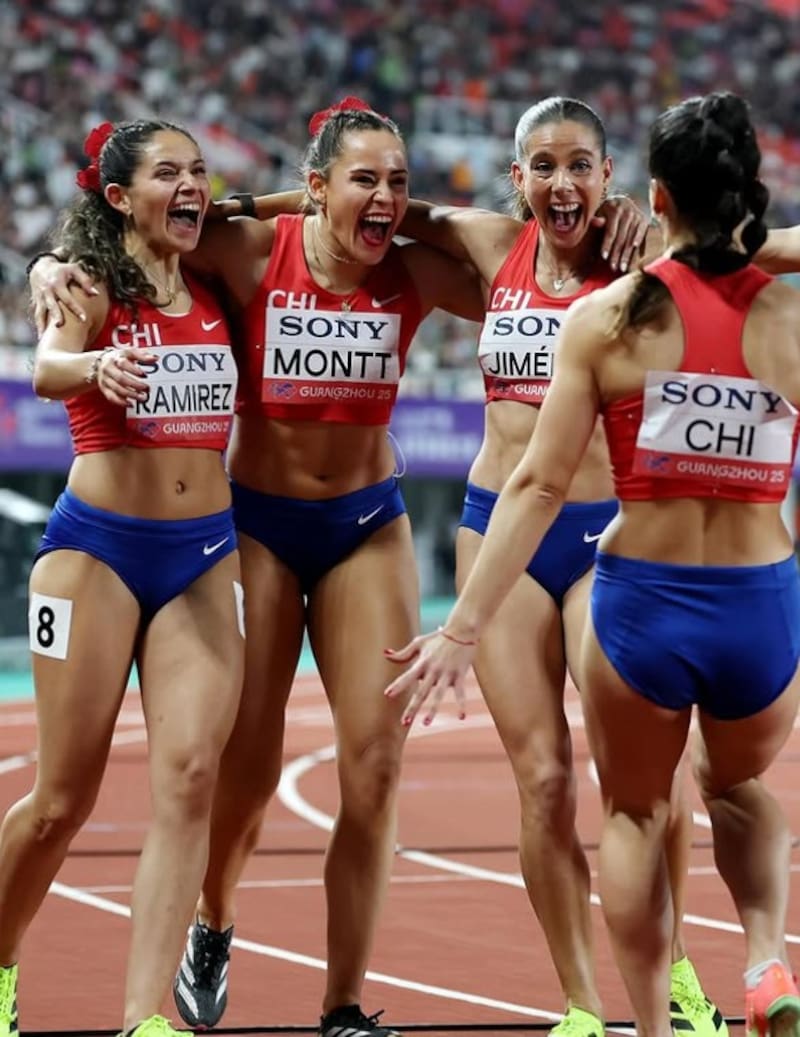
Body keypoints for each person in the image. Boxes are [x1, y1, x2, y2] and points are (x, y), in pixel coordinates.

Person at [29, 97, 486, 1037]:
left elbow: (526, 269)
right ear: (314, 188)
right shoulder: (241, 254)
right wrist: (46, 267)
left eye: (399, 183)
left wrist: (428, 213)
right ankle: (214, 919)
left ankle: (343, 1003)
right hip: (257, 525)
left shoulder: (411, 270)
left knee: (375, 765)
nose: (387, 199)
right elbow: (118, 239)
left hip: (367, 522)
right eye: (365, 180)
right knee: (248, 759)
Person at [383, 90, 800, 1037]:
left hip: (615, 536)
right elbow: (378, 216)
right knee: (544, 780)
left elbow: (749, 243)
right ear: (518, 177)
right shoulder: (491, 246)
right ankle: (582, 999)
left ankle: (676, 975)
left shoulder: (645, 268)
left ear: (622, 181)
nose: (563, 181)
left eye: (582, 164)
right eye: (544, 165)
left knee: (637, 790)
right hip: (504, 527)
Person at [6, 120, 245, 1037]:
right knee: (63, 799)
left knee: (189, 777)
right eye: (167, 174)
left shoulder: (216, 272)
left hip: (203, 558)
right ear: (117, 197)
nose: (191, 186)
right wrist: (94, 362)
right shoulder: (88, 280)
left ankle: (148, 1018)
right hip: (94, 556)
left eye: (199, 171)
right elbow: (45, 366)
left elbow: (282, 211)